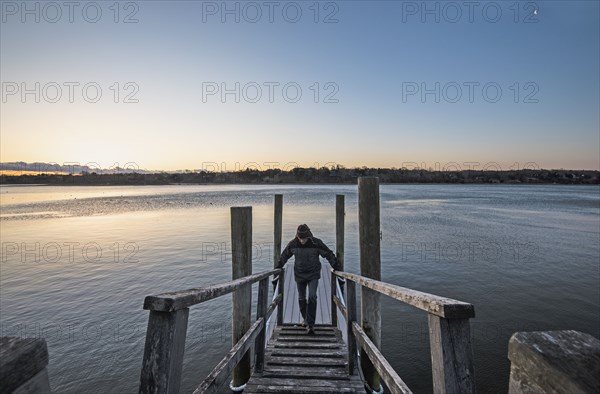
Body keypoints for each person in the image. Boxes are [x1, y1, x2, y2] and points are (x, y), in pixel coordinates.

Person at [276, 224, 339, 334]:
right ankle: (305, 318)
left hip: (313, 274)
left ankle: (310, 324)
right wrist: (278, 267)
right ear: (297, 236)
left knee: (312, 296)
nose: (302, 241)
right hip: (299, 275)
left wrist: (336, 266)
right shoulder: (293, 244)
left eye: (304, 238)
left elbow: (328, 254)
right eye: (300, 238)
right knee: (301, 299)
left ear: (309, 236)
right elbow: (284, 256)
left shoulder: (316, 243)